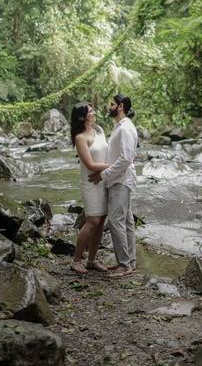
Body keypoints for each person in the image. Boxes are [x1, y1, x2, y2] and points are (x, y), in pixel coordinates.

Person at [89, 94, 138, 278]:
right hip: (121, 179)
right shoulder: (120, 126)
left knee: (116, 221)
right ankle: (130, 261)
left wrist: (104, 175)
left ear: (121, 106)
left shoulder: (125, 128)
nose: (109, 106)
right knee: (126, 221)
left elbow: (125, 158)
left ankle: (124, 265)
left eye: (112, 104)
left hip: (120, 180)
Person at [69, 102, 111, 274]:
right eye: (90, 111)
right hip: (91, 183)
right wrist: (114, 166)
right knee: (92, 221)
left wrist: (108, 171)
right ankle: (76, 260)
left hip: (103, 180)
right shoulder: (80, 138)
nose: (94, 113)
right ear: (83, 117)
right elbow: (90, 164)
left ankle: (92, 260)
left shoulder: (99, 130)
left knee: (101, 222)